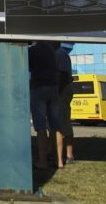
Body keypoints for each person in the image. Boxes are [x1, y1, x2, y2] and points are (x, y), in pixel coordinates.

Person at [28, 41, 64, 170]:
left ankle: (42, 161)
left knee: (41, 127)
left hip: (38, 87)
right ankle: (59, 161)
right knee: (56, 126)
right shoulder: (51, 51)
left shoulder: (32, 50)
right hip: (53, 88)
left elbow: (25, 66)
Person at [55, 43, 75, 166]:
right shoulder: (60, 53)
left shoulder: (60, 54)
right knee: (60, 123)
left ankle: (67, 155)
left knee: (61, 124)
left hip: (61, 91)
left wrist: (56, 92)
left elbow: (63, 75)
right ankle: (64, 155)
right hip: (62, 90)